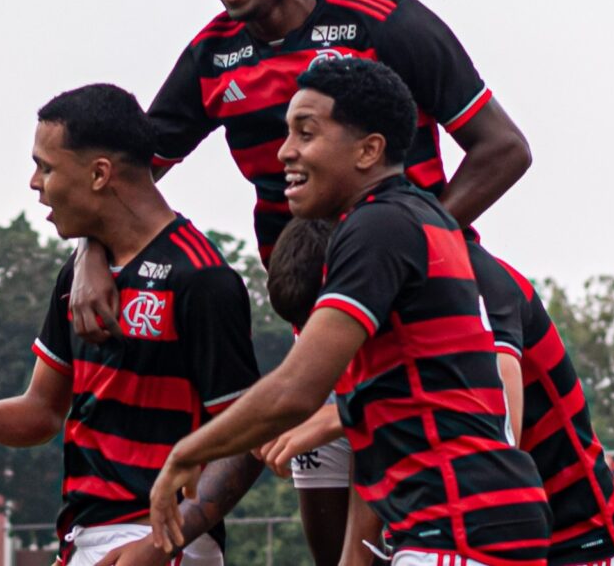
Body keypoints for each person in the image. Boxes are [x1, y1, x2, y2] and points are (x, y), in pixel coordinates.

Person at [70, 0, 534, 564]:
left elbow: (504, 149)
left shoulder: (383, 21)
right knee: (339, 530)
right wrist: (89, 252)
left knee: (440, 489)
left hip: (431, 309)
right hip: (321, 317)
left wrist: (412, 243)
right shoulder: (212, 57)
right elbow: (129, 176)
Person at [150, 58, 552, 566]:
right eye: (286, 132)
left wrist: (186, 454)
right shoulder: (418, 216)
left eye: (306, 132)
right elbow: (395, 406)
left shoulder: (377, 226)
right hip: (471, 521)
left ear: (369, 150)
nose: (285, 151)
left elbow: (297, 389)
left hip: (459, 527)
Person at [0, 85, 263, 566]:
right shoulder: (76, 275)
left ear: (100, 173)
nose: (34, 183)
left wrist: (162, 541)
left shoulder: (202, 279)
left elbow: (247, 439)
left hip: (159, 541)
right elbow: (43, 412)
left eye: (46, 166)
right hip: (83, 539)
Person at [262, 216, 614, 566]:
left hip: (578, 544)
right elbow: (373, 443)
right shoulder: (348, 312)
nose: (287, 152)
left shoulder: (473, 280)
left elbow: (497, 436)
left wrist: (344, 415)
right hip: (446, 537)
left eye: (307, 135)